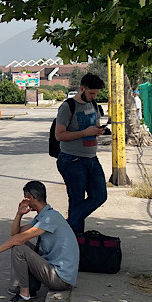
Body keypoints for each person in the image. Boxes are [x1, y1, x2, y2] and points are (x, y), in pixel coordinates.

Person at [0, 181, 78, 302]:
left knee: (19, 247)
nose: (24, 201)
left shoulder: (49, 219)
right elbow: (14, 233)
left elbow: (18, 240)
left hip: (61, 279)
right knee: (21, 245)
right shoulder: (46, 215)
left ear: (31, 198)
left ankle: (24, 299)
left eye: (25, 197)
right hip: (57, 271)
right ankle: (31, 288)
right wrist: (19, 214)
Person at [54, 73, 108, 234]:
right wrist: (84, 132)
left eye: (96, 94)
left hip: (91, 158)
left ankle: (67, 228)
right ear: (82, 89)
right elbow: (59, 135)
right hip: (72, 160)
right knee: (76, 200)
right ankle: (75, 240)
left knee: (100, 196)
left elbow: (95, 125)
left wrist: (99, 131)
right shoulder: (67, 107)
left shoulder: (94, 104)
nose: (93, 96)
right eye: (91, 93)